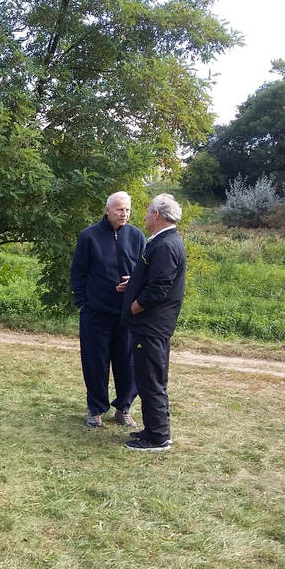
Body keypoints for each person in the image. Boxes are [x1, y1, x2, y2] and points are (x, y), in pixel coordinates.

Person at [70, 191, 146, 428]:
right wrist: (83, 303)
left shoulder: (137, 236)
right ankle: (95, 409)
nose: (124, 214)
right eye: (120, 209)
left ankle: (124, 408)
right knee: (95, 363)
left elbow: (146, 272)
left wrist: (134, 283)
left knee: (128, 363)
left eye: (128, 210)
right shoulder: (89, 236)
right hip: (95, 313)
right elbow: (78, 271)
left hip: (128, 314)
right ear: (107, 210)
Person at [121, 193, 186, 451]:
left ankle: (158, 438)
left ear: (157, 215)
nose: (145, 215)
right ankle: (153, 430)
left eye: (148, 211)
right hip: (151, 326)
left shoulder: (165, 245)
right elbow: (155, 277)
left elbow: (159, 289)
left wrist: (133, 307)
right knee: (147, 377)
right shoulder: (162, 242)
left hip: (152, 326)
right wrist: (135, 282)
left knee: (151, 380)